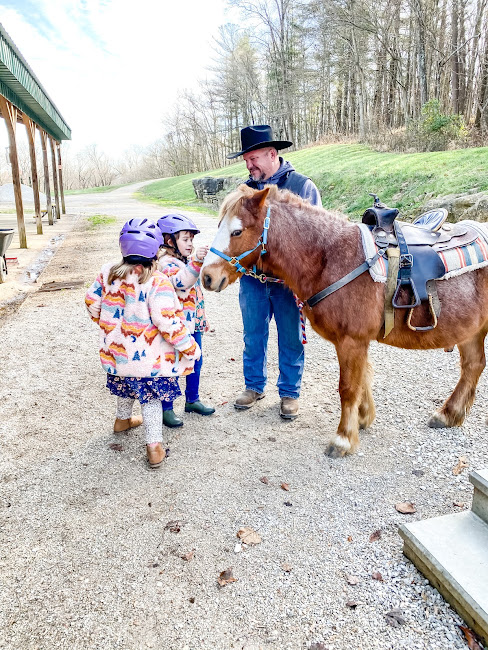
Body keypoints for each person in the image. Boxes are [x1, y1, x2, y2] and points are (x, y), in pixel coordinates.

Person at [85, 217, 201, 469]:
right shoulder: (157, 282)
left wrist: (103, 321)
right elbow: (168, 322)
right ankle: (154, 448)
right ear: (154, 252)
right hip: (149, 360)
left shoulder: (108, 273)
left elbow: (91, 300)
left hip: (118, 355)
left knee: (125, 385)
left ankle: (122, 421)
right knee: (150, 399)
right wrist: (189, 347)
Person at [227, 124, 322, 419]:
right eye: (245, 160)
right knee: (253, 335)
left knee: (290, 337)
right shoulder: (244, 192)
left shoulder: (303, 187)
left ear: (271, 154)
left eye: (253, 158)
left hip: (287, 283)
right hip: (253, 280)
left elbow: (317, 236)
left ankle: (290, 393)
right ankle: (254, 386)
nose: (249, 165)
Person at [157, 212, 215, 427]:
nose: (190, 244)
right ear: (169, 241)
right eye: (185, 239)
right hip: (175, 326)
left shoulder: (185, 261)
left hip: (192, 324)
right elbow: (182, 283)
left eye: (192, 239)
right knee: (171, 365)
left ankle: (192, 399)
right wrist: (197, 261)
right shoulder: (166, 264)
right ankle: (166, 407)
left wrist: (202, 318)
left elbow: (195, 295)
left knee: (196, 361)